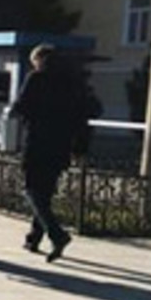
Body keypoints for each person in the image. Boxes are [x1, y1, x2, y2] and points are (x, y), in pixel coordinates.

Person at [10, 43, 91, 263]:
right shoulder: (73, 82)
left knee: (31, 190)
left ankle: (57, 234)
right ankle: (34, 238)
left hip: (37, 143)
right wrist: (80, 147)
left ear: (39, 60)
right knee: (44, 192)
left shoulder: (36, 78)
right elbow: (83, 116)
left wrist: (21, 112)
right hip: (61, 145)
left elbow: (21, 106)